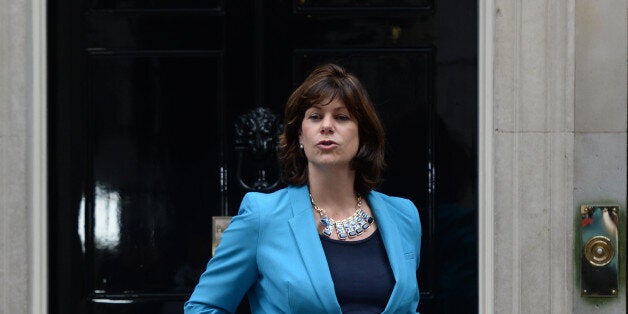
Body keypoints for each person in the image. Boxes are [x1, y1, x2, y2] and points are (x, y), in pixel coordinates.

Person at [184, 63, 422, 313]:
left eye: (341, 117)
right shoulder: (262, 215)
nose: (326, 126)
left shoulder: (403, 216)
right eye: (315, 116)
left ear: (363, 134)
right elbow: (203, 307)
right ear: (299, 135)